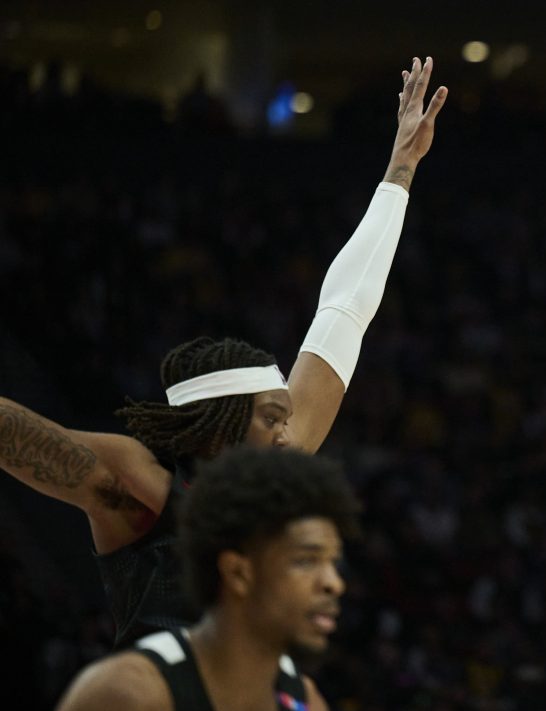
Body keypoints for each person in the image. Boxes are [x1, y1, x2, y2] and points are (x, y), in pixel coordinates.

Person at [0, 56, 446, 647]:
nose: (290, 434)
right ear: (219, 429)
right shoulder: (142, 491)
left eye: (286, 416)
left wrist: (399, 172)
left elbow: (344, 312)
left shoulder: (274, 461)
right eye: (272, 417)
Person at [36, 445, 358, 711]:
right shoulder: (131, 696)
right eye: (306, 561)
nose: (333, 583)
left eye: (333, 563)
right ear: (239, 572)